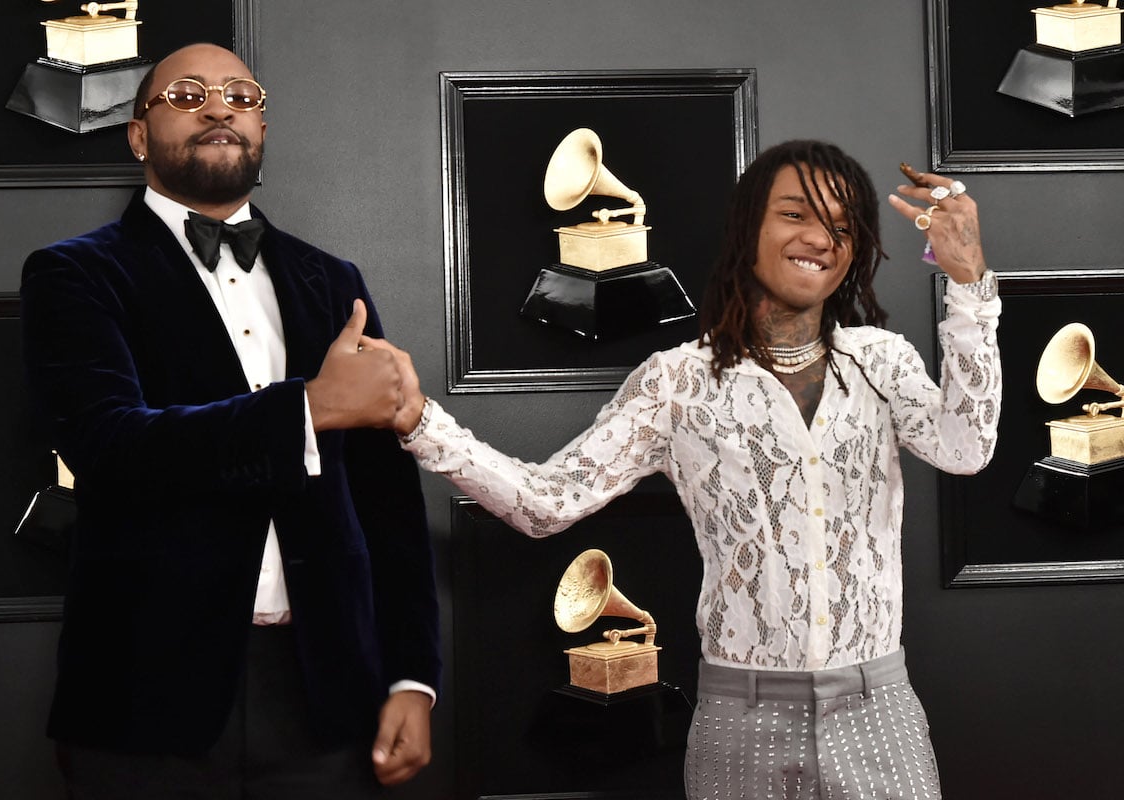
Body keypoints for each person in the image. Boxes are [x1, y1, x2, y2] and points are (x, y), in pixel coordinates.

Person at [370, 140, 1000, 799]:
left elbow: (966, 447)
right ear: (747, 227)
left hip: (879, 712)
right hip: (741, 720)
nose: (820, 236)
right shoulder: (675, 384)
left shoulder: (884, 362)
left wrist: (967, 285)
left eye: (842, 226)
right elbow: (543, 503)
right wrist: (420, 422)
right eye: (795, 214)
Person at [20, 43, 440, 799]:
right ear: (138, 134)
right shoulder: (72, 274)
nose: (219, 107)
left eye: (242, 97)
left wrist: (413, 676)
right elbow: (110, 446)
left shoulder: (332, 280)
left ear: (263, 128)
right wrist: (307, 409)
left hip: (328, 694)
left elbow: (386, 501)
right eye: (187, 95)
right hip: (144, 699)